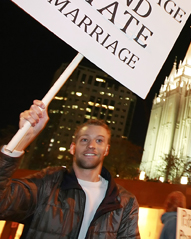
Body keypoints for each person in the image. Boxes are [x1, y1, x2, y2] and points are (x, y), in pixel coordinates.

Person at [0, 100, 141, 239]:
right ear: (72, 148)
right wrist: (23, 139)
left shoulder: (124, 202)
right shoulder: (47, 184)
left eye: (99, 140)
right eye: (84, 140)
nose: (91, 145)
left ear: (106, 150)